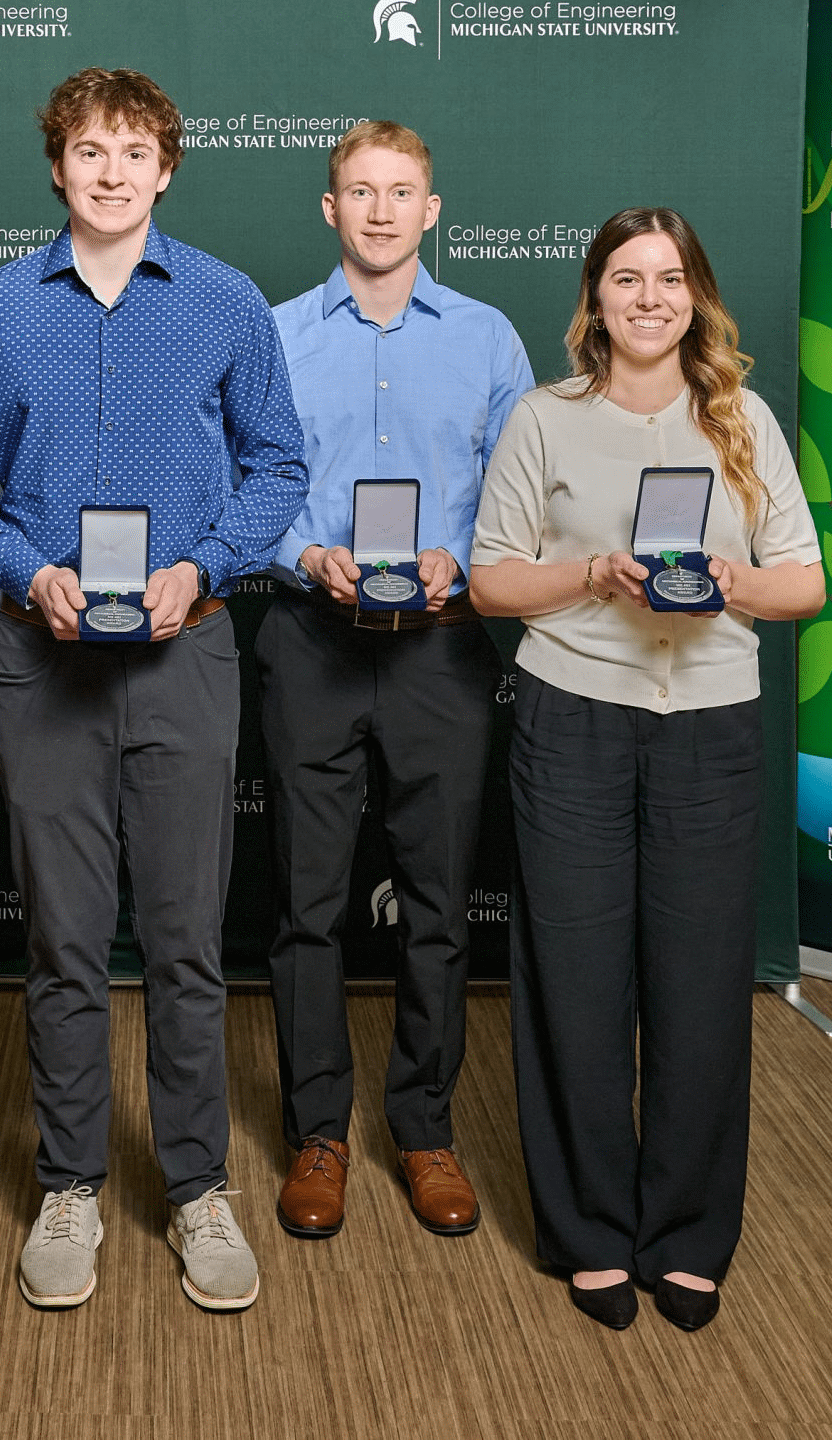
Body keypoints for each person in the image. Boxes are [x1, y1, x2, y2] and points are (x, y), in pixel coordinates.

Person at [0, 67, 307, 1312]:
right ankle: (71, 1186)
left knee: (186, 944)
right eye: (89, 150)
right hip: (44, 660)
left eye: (135, 151)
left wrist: (206, 564)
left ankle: (197, 1191)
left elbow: (280, 464)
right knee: (66, 944)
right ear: (56, 166)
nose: (112, 171)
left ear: (167, 169)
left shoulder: (228, 302)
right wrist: (28, 574)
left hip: (185, 653)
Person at [469, 206, 822, 1334]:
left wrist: (726, 579)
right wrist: (591, 573)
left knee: (700, 987)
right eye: (627, 278)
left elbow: (802, 584)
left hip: (709, 727)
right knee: (572, 985)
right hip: (572, 719)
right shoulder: (544, 419)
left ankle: (685, 1235)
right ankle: (587, 1231)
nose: (649, 298)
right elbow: (489, 583)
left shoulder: (743, 422)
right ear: (595, 299)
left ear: (697, 297)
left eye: (670, 279)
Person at [260, 121, 533, 1241]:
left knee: (437, 905)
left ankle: (424, 1128)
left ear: (432, 209)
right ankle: (315, 1132)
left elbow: (524, 492)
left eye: (401, 192)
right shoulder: (272, 334)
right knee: (305, 906)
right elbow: (248, 480)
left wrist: (457, 562)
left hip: (440, 649)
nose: (379, 210)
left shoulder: (486, 338)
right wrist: (304, 552)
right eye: (359, 192)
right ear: (330, 210)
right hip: (308, 643)